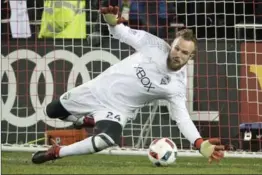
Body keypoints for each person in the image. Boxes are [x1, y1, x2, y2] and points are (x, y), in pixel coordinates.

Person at [32, 6, 225, 164]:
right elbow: (122, 33)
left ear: (191, 57)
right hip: (96, 90)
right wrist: (111, 21)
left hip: (118, 110)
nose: (177, 54)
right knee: (52, 111)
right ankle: (84, 121)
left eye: (184, 52)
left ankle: (57, 152)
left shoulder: (176, 86)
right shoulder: (154, 45)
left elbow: (182, 118)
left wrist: (199, 143)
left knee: (106, 140)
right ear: (171, 44)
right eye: (176, 48)